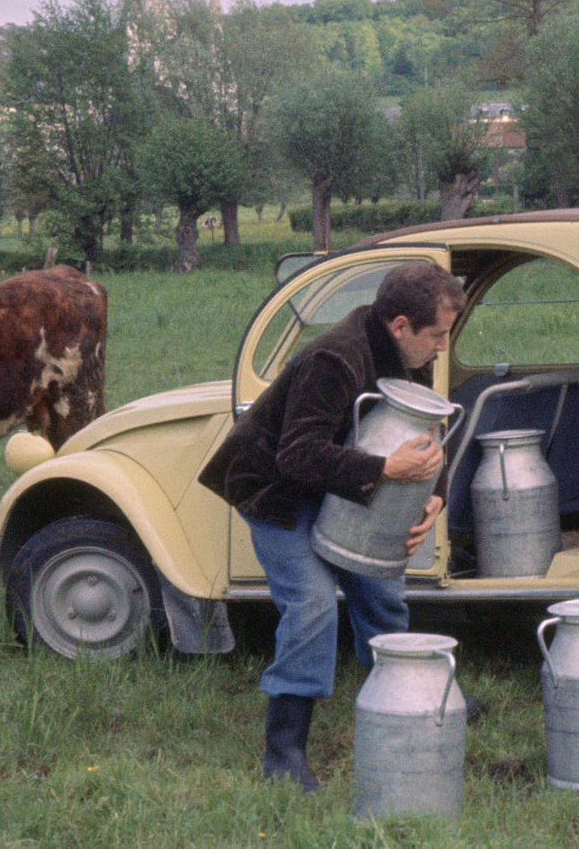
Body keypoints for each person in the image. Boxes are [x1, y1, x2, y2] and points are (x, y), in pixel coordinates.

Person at [198, 261, 467, 793]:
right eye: (436, 335)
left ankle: (401, 698)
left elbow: (425, 430)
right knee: (313, 605)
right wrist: (385, 470)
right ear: (400, 326)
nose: (442, 347)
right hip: (276, 491)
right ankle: (285, 750)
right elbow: (296, 455)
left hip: (335, 484)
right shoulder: (335, 358)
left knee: (380, 587)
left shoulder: (406, 355)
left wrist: (432, 499)